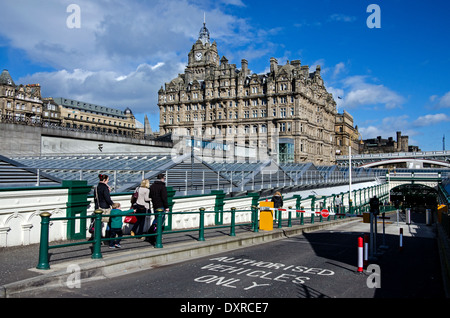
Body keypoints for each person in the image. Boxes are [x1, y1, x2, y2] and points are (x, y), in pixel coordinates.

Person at [148, 173, 169, 245]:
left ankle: (152, 233)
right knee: (160, 221)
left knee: (156, 219)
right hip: (161, 205)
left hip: (155, 205)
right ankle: (155, 234)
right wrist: (167, 207)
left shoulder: (152, 186)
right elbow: (164, 198)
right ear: (162, 178)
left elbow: (150, 195)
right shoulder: (162, 186)